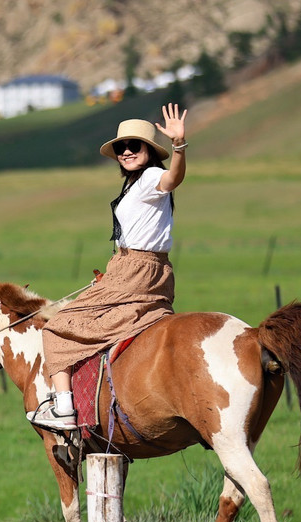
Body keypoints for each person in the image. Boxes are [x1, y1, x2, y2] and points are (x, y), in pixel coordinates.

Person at [30, 103, 188, 429]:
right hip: (142, 272)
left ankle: (63, 408)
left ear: (149, 150)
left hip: (135, 273)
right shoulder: (133, 184)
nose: (127, 151)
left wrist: (179, 146)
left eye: (134, 145)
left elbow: (173, 178)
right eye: (121, 147)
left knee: (56, 327)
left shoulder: (149, 179)